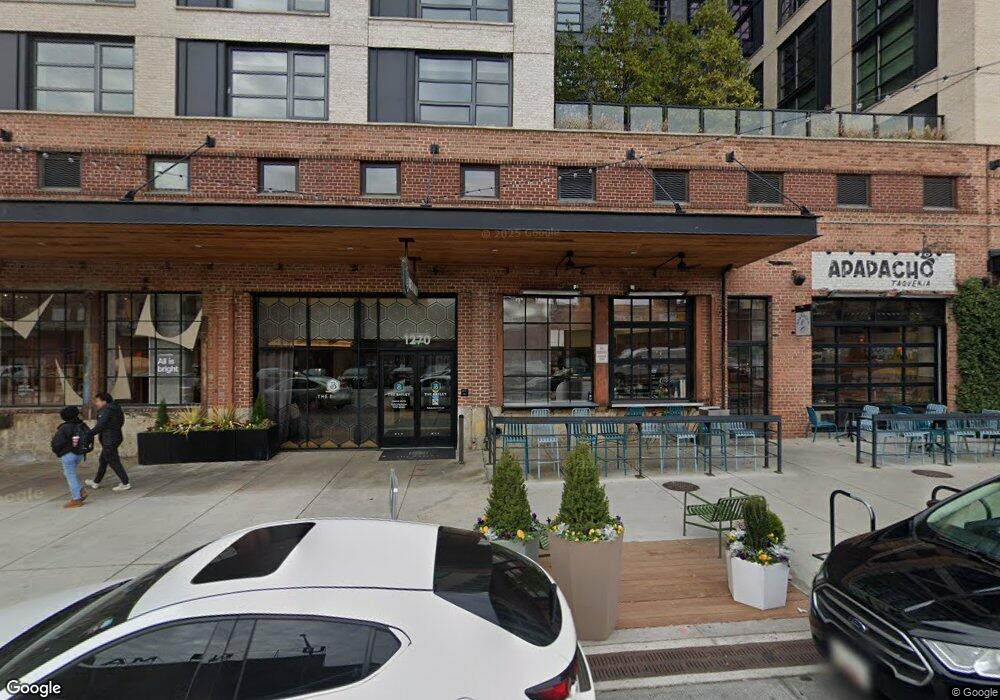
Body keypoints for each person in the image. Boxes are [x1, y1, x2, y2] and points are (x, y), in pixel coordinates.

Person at [83, 392, 131, 492]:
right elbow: (120, 422)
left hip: (109, 439)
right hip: (115, 437)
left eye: (97, 401)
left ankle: (125, 483)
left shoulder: (106, 410)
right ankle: (96, 482)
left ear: (104, 401)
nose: (96, 403)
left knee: (114, 462)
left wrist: (89, 433)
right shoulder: (116, 408)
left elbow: (101, 425)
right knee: (103, 460)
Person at [50, 406, 91, 508]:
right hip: (80, 453)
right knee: (70, 473)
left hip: (68, 453)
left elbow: (57, 443)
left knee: (70, 475)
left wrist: (58, 451)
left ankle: (76, 499)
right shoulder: (82, 425)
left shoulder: (65, 427)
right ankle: (81, 491)